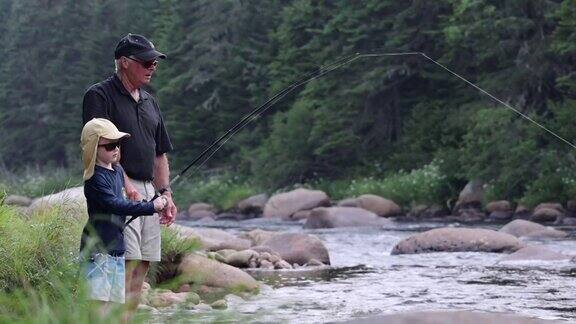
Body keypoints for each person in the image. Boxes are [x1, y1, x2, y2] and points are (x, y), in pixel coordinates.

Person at [82, 33, 177, 313]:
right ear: (124, 62)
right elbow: (99, 146)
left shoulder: (150, 102)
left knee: (142, 263)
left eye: (155, 63)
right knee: (126, 262)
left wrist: (165, 193)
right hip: (118, 186)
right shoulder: (99, 95)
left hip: (150, 189)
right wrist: (126, 186)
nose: (152, 67)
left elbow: (160, 153)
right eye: (146, 62)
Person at [79, 118, 167, 311]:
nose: (116, 149)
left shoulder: (117, 170)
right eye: (110, 145)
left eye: (118, 144)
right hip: (98, 249)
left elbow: (123, 204)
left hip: (117, 249)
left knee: (113, 305)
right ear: (93, 148)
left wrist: (146, 203)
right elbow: (114, 204)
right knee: (99, 304)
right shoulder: (94, 178)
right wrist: (150, 207)